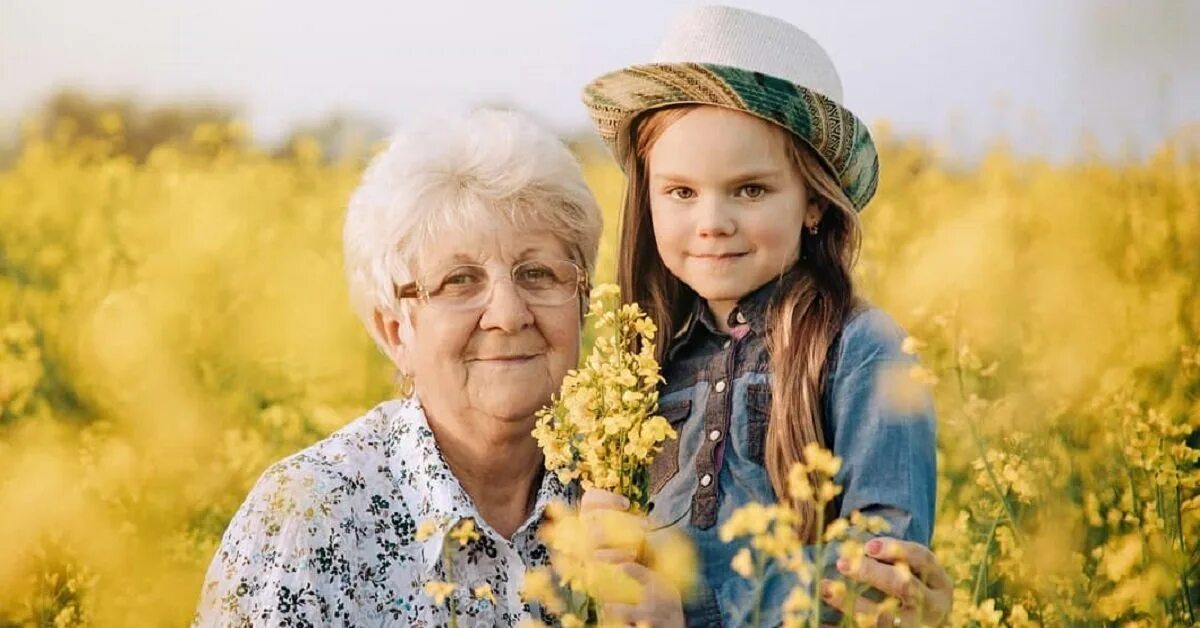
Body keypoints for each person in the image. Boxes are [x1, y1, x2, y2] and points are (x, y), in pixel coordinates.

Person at [580, 6, 948, 626]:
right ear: (648, 198)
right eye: (681, 191)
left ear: (813, 202)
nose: (712, 222)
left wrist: (690, 615)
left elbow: (882, 576)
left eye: (750, 189)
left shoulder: (861, 349)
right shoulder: (642, 366)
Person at [193, 108, 603, 626]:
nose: (508, 314)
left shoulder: (626, 494)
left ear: (582, 304)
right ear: (395, 332)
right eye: (459, 281)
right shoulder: (306, 518)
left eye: (538, 273)